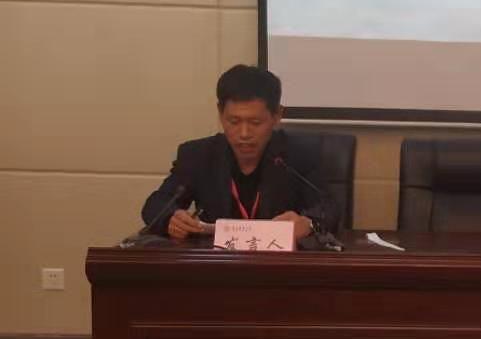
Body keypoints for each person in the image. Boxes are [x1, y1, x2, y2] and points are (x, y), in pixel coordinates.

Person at [140, 65, 340, 241]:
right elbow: (155, 204)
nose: (244, 133)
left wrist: (308, 223)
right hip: (218, 263)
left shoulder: (300, 154)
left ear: (277, 115)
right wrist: (171, 218)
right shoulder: (198, 155)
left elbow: (329, 207)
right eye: (234, 122)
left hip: (280, 262)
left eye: (255, 122)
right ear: (220, 113)